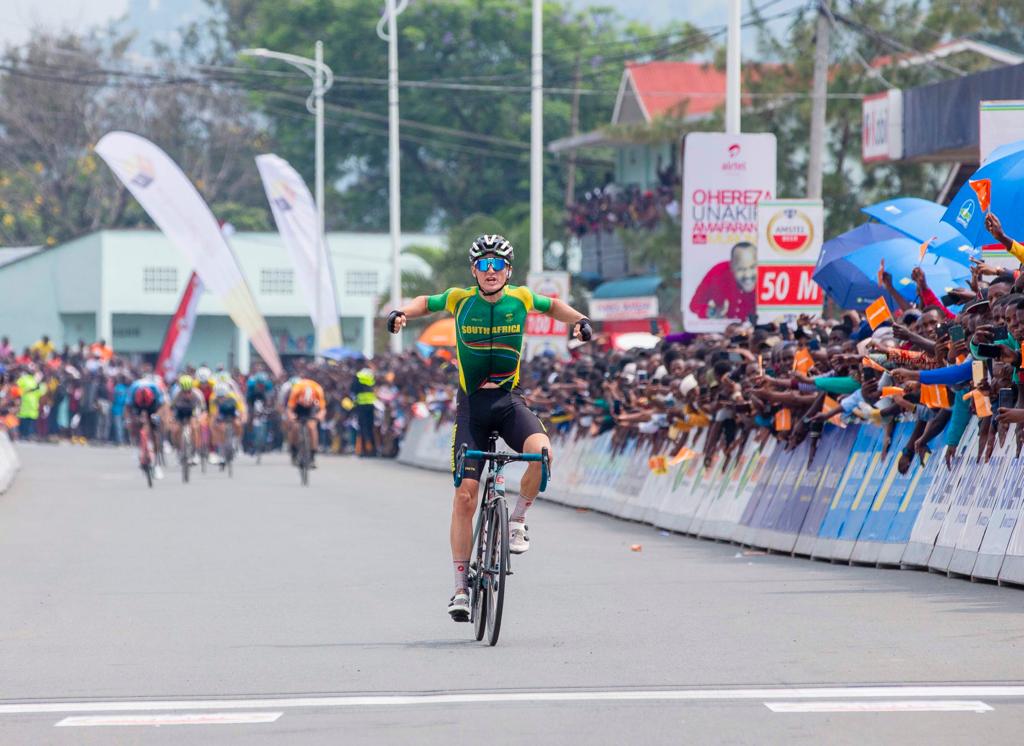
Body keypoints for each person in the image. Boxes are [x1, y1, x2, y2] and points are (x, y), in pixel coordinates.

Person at [385, 234, 593, 622]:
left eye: (498, 264)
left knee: (542, 452)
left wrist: (580, 321)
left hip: (509, 402)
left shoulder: (523, 299)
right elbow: (423, 303)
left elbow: (557, 307)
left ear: (509, 271)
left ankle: (517, 521)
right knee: (465, 496)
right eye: (484, 265)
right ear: (474, 271)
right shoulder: (460, 299)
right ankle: (460, 588)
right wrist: (401, 314)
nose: (491, 271)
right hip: (472, 410)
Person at [689, 241, 758, 320]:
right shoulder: (718, 272)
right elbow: (694, 305)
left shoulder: (768, 277)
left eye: (752, 267)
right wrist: (713, 312)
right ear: (732, 266)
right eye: (741, 269)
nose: (747, 275)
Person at [125, 376, 165, 479]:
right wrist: (129, 420)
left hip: (152, 406)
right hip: (137, 406)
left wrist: (157, 416)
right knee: (134, 424)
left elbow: (162, 406)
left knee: (155, 430)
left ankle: (156, 464)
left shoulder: (155, 389)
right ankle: (137, 445)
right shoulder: (133, 389)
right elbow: (127, 408)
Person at [286, 377, 326, 467]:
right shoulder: (296, 390)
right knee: (295, 427)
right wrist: (292, 417)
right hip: (298, 407)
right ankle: (294, 451)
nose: (306, 404)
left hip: (312, 408)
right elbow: (289, 409)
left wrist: (318, 417)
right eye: (305, 402)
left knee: (312, 427)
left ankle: (312, 456)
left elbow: (323, 409)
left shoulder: (318, 390)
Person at [168, 374, 204, 464]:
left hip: (192, 412)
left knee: (194, 427)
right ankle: (178, 449)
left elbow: (203, 408)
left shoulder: (197, 394)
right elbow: (171, 408)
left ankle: (195, 452)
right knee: (175, 430)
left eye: (189, 391)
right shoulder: (176, 394)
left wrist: (199, 418)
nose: (186, 394)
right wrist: (171, 418)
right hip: (180, 412)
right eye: (184, 392)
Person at [208, 381, 245, 464]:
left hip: (232, 413)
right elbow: (213, 414)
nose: (221, 399)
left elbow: (241, 409)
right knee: (218, 427)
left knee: (238, 424)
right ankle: (221, 451)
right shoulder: (213, 398)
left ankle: (237, 443)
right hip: (221, 414)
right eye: (219, 397)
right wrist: (214, 424)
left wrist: (241, 418)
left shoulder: (233, 397)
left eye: (223, 397)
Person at [351, 366, 378, 457]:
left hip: (361, 406)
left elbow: (353, 389)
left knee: (362, 429)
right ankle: (373, 450)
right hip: (371, 405)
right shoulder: (371, 376)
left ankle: (363, 450)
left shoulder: (358, 377)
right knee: (370, 428)